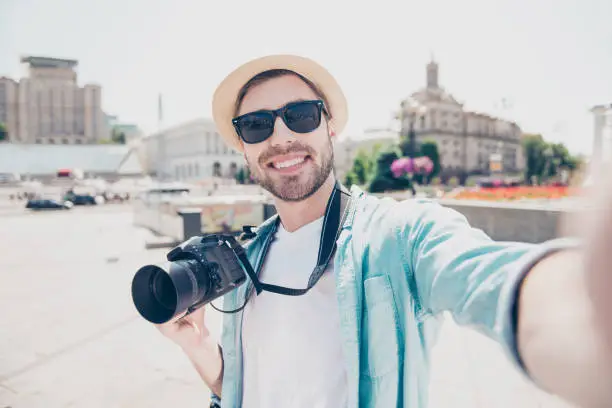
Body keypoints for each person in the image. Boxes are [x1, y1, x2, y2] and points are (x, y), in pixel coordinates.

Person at [156, 54, 612, 408]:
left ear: (330, 127)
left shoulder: (400, 234)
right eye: (256, 125)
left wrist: (584, 324)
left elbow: (488, 278)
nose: (280, 137)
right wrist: (200, 350)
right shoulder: (245, 263)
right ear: (243, 148)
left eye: (300, 115)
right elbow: (250, 387)